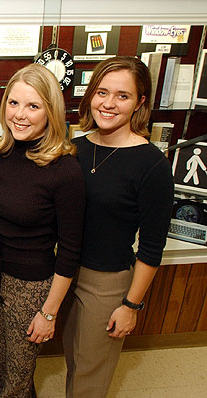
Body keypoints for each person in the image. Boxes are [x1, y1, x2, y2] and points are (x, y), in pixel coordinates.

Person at [0, 64, 85, 397]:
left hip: (31, 288)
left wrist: (49, 313)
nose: (20, 115)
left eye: (33, 106)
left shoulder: (65, 170)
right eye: (14, 103)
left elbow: (70, 251)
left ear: (51, 111)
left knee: (17, 380)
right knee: (5, 368)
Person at [61, 56, 174, 397]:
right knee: (75, 362)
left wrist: (130, 306)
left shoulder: (151, 164)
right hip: (65, 272)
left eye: (122, 96)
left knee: (90, 378)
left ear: (140, 102)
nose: (108, 103)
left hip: (106, 283)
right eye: (102, 92)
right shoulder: (75, 148)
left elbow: (153, 247)